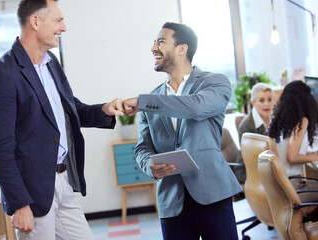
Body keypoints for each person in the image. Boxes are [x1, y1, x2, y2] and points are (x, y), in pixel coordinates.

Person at [0, 0, 125, 239]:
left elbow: (70, 111)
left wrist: (105, 109)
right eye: (58, 20)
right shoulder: (2, 74)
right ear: (35, 21)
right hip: (32, 192)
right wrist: (19, 204)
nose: (64, 27)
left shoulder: (51, 63)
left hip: (63, 180)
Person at [123, 22, 242, 240]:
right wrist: (149, 165)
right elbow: (142, 147)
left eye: (160, 41)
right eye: (153, 42)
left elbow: (195, 107)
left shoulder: (215, 83)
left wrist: (143, 101)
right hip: (171, 198)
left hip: (212, 192)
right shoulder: (152, 98)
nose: (153, 48)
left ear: (182, 49)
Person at [269, 80, 318, 203]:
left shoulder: (280, 120)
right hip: (292, 187)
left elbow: (290, 151)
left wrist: (313, 155)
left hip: (278, 186)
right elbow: (292, 156)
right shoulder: (301, 121)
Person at [234, 82, 273, 183]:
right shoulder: (246, 126)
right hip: (249, 170)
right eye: (261, 100)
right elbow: (253, 156)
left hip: (266, 166)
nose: (266, 104)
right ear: (253, 103)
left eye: (269, 99)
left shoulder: (273, 118)